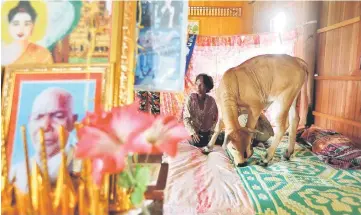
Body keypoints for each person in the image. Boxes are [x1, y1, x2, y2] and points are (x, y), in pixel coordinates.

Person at [10, 87, 81, 192]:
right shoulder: (16, 173)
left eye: (58, 116)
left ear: (73, 122)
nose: (45, 126)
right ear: (29, 123)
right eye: (38, 117)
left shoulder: (84, 169)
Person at [1, 1, 53, 65]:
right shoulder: (3, 51)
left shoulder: (42, 54)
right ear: (9, 26)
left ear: (33, 26)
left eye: (26, 24)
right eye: (16, 24)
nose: (21, 29)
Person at [183, 74, 218, 147]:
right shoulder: (191, 99)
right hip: (193, 133)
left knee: (220, 138)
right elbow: (186, 119)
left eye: (201, 85)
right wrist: (193, 133)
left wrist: (211, 133)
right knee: (196, 142)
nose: (198, 87)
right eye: (196, 84)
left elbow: (215, 119)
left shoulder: (211, 101)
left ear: (207, 87)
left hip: (206, 134)